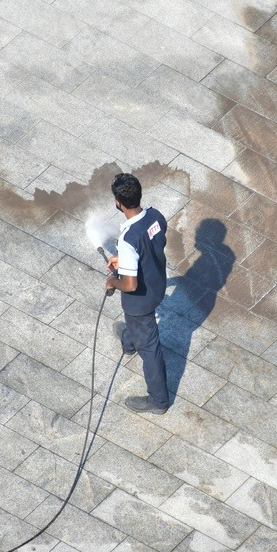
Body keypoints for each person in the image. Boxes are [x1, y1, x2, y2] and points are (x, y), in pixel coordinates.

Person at [105, 173, 169, 414]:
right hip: (157, 285)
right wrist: (124, 260)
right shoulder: (155, 216)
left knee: (150, 348)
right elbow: (152, 245)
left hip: (140, 300)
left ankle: (159, 401)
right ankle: (130, 341)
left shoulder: (128, 239)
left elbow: (130, 284)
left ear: (117, 202)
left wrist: (112, 281)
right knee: (137, 328)